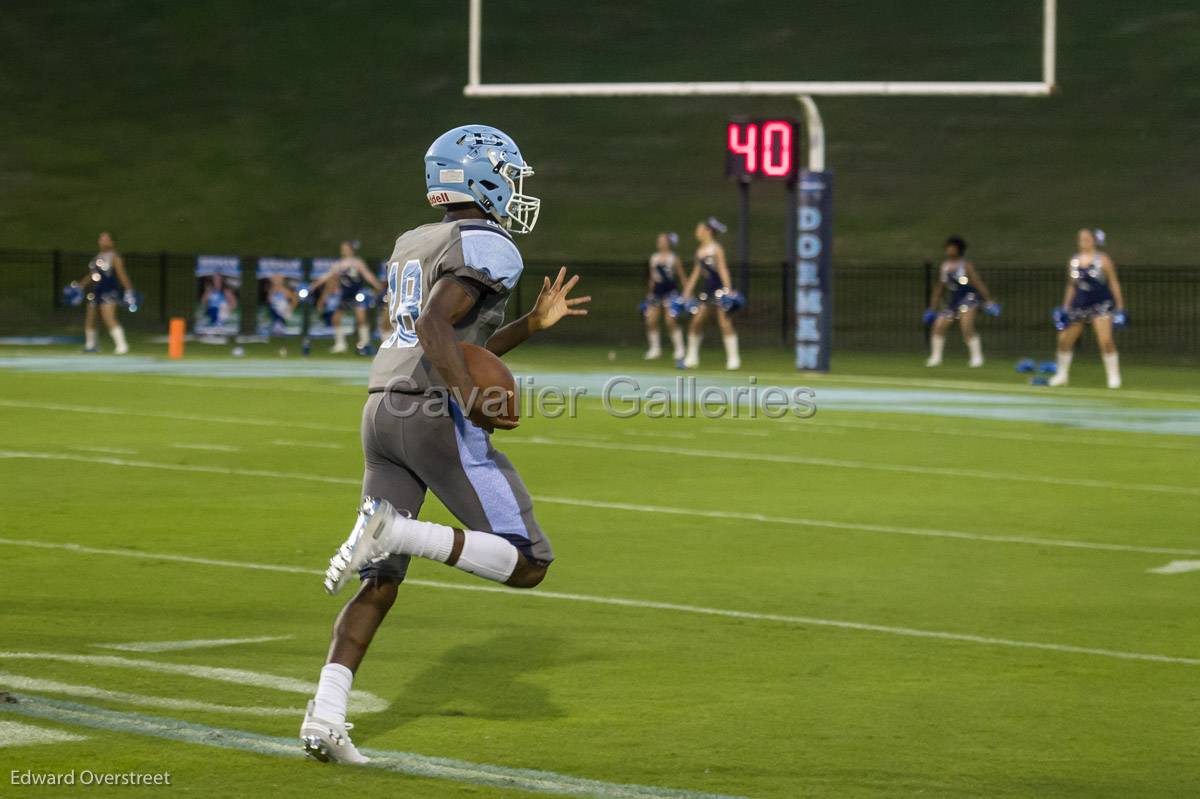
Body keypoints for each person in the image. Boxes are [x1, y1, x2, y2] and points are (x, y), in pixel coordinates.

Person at [300, 124, 590, 764]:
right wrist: (467, 400)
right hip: (429, 414)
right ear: (480, 176)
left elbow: (449, 341)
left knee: (378, 582)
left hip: (382, 410)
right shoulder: (488, 243)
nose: (513, 189)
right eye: (508, 175)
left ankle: (324, 717)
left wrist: (530, 327)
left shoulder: (415, 240)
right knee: (528, 561)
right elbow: (436, 325)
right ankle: (397, 532)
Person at [1049, 228, 1127, 388]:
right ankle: (1061, 375)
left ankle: (1113, 377)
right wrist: (1066, 306)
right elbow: (1071, 286)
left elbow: (1113, 282)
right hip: (1080, 304)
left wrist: (1120, 306)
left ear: (1094, 240)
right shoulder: (1074, 261)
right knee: (1064, 340)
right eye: (1080, 238)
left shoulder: (1103, 259)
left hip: (1100, 303)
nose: (1083, 241)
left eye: (1086, 238)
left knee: (1105, 340)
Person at [923, 236, 999, 368]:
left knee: (966, 327)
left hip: (969, 299)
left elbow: (977, 283)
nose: (949, 250)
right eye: (948, 247)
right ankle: (935, 357)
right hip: (954, 301)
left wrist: (989, 301)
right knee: (939, 326)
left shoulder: (965, 265)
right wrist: (932, 309)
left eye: (952, 247)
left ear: (959, 250)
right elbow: (939, 288)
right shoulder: (945, 267)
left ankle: (977, 357)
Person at [681, 217, 740, 370]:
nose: (697, 232)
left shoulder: (716, 249)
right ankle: (691, 357)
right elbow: (696, 273)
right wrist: (686, 292)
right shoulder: (699, 251)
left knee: (724, 322)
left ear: (708, 231)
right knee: (696, 322)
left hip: (719, 289)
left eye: (699, 229)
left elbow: (722, 269)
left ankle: (733, 359)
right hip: (707, 290)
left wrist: (728, 290)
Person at [309, 241, 385, 354]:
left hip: (357, 294)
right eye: (342, 248)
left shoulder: (357, 262)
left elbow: (367, 275)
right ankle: (340, 344)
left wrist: (377, 285)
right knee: (336, 318)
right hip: (346, 295)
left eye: (345, 248)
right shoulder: (339, 264)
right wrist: (314, 285)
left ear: (351, 250)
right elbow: (327, 276)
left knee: (361, 319)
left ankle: (365, 344)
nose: (343, 250)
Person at [76, 231, 133, 354]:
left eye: (106, 239)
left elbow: (121, 274)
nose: (103, 241)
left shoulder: (114, 257)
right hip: (96, 291)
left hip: (109, 291)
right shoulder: (97, 257)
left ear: (112, 242)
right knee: (91, 319)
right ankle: (91, 345)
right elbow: (92, 275)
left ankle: (122, 345)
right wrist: (80, 286)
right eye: (101, 239)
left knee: (109, 318)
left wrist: (129, 289)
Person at [641, 232, 687, 362]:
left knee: (670, 320)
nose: (659, 242)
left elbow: (682, 276)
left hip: (670, 290)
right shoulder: (654, 258)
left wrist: (686, 293)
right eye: (659, 240)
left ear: (668, 243)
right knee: (651, 319)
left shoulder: (673, 258)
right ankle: (655, 349)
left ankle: (679, 348)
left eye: (662, 240)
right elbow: (652, 278)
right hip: (657, 291)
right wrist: (649, 293)